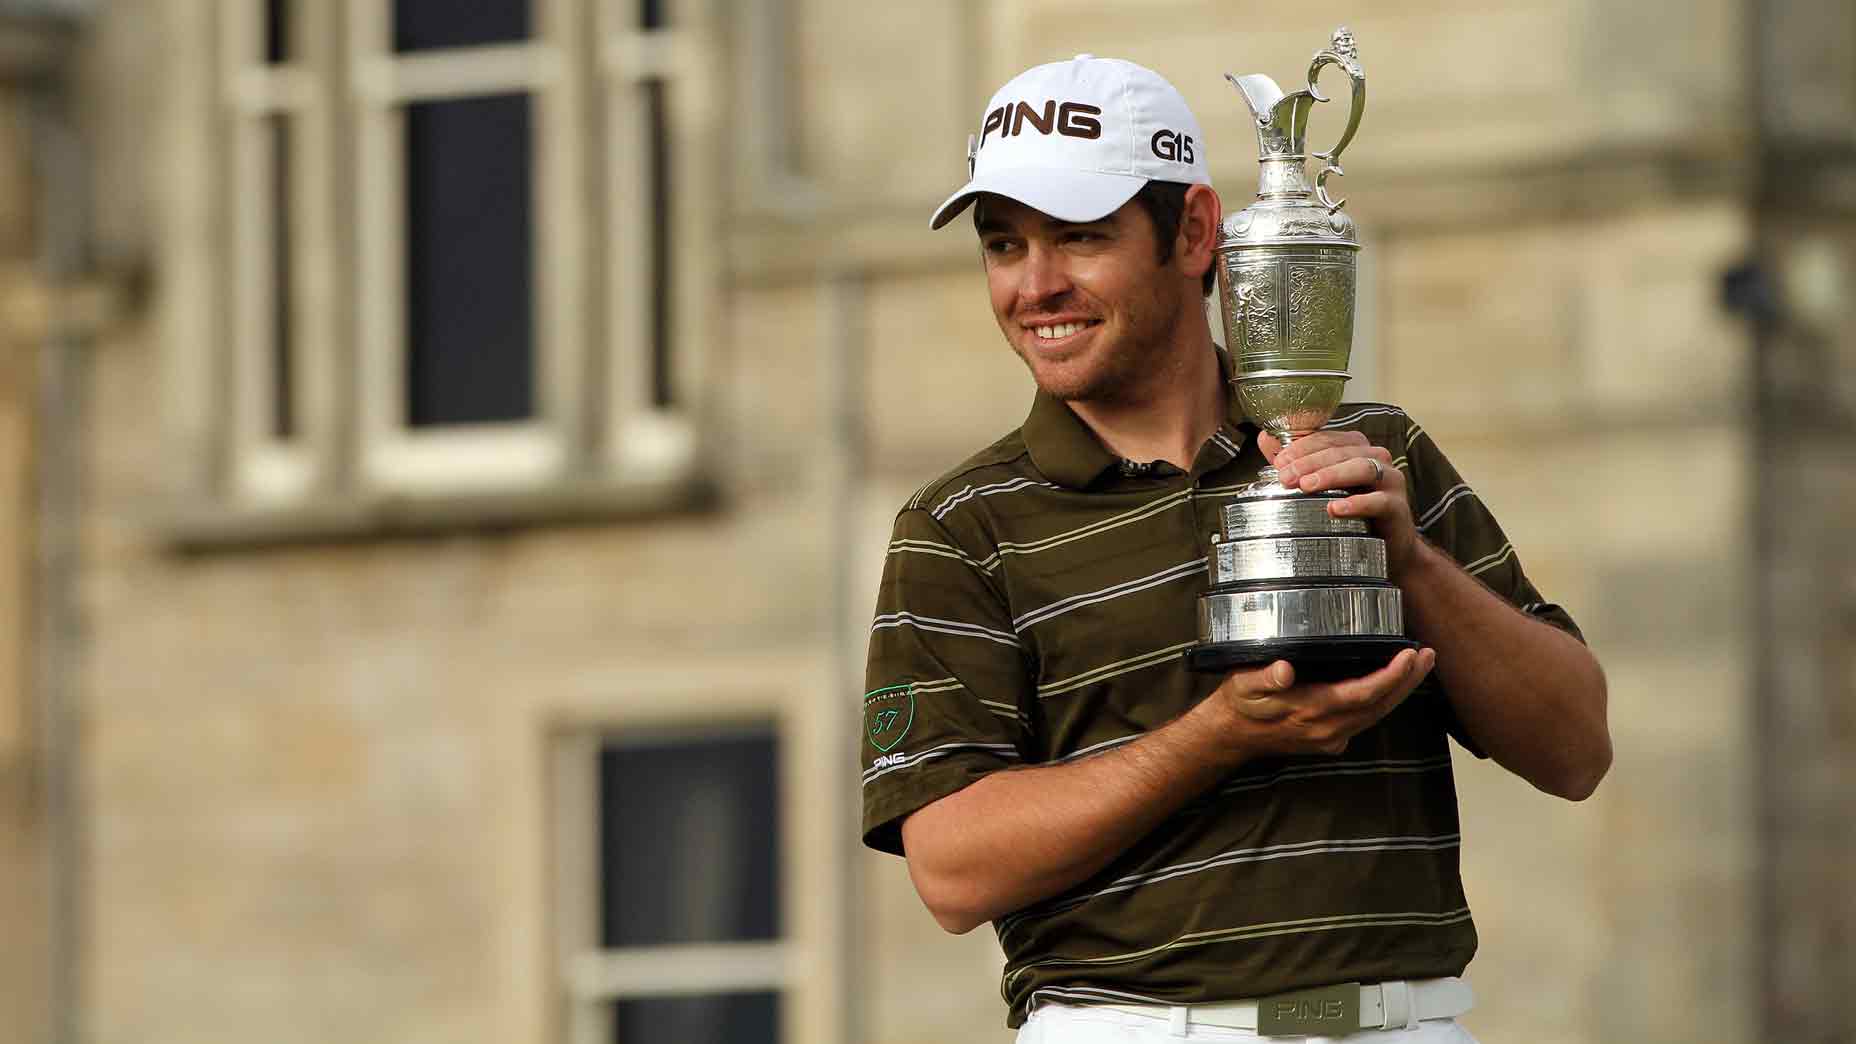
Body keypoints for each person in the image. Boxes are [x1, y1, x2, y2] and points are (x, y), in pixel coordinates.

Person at [859, 55, 1610, 1043]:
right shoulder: (960, 525)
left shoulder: (1373, 453)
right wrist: (1219, 734)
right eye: (1004, 245)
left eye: (1079, 236)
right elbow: (952, 870)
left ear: (1195, 233)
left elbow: (1575, 749)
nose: (1034, 286)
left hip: (1403, 1022)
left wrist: (1410, 563)